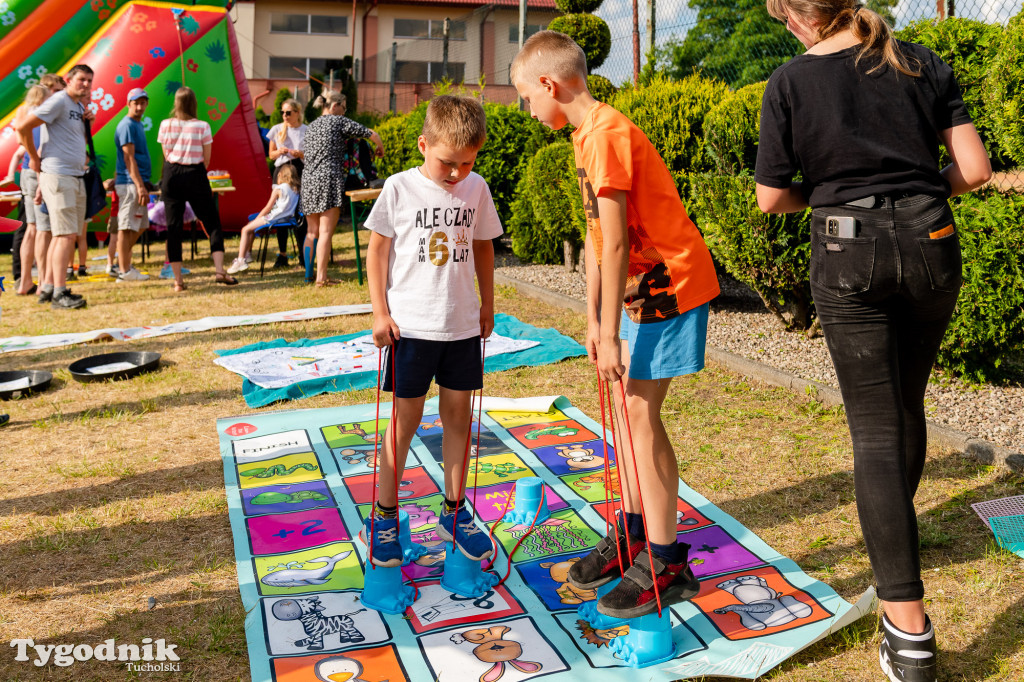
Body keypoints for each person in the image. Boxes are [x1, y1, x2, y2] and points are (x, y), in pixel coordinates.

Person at [753, 2, 992, 680]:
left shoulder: (790, 82)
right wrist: (916, 199)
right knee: (905, 403)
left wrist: (827, 198)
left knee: (875, 431)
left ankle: (907, 627)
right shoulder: (919, 59)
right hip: (932, 239)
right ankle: (899, 535)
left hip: (846, 248)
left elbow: (771, 198)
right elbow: (973, 170)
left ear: (798, 21)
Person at [512, 32, 721, 619]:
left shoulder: (605, 135)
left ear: (551, 86)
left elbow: (621, 241)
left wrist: (608, 334)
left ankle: (666, 563)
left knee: (638, 416)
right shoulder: (586, 134)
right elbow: (596, 238)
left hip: (670, 287)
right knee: (630, 418)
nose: (529, 110)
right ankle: (633, 535)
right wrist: (592, 322)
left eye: (528, 97)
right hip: (636, 294)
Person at [362, 95, 502, 568]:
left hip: (461, 326)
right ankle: (383, 513)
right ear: (424, 144)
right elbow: (377, 253)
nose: (457, 173)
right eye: (447, 162)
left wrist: (488, 304)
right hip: (411, 328)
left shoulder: (476, 189)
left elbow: (483, 248)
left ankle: (455, 511)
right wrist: (380, 312)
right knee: (405, 420)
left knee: (458, 420)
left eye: (467, 163)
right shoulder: (399, 189)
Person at [17, 64, 94, 310]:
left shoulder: (76, 106)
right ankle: (60, 294)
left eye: (90, 80)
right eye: (81, 79)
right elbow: (23, 127)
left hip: (71, 176)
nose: (86, 84)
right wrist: (34, 159)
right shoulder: (60, 100)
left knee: (61, 235)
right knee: (64, 236)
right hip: (59, 176)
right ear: (68, 80)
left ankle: (49, 286)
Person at [300, 90, 383, 287]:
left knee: (312, 232)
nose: (344, 113)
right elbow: (372, 133)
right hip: (329, 178)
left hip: (309, 179)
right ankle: (321, 278)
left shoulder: (310, 126)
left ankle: (307, 275)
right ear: (335, 106)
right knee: (326, 231)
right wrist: (379, 148)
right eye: (344, 108)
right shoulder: (338, 122)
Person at [157, 86, 235, 291]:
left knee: (173, 228)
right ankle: (219, 271)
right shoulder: (202, 126)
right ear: (194, 104)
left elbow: (166, 154)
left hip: (171, 174)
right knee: (212, 222)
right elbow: (206, 158)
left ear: (176, 104)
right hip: (195, 173)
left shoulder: (165, 124)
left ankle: (178, 282)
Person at [6, 85, 51, 295]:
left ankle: (25, 280)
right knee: (41, 229)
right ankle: (42, 281)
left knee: (31, 229)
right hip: (37, 172)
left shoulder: (24, 114)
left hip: (26, 172)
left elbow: (20, 145)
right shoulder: (39, 117)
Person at [227, 163, 300, 274]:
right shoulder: (296, 189)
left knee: (245, 229)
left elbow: (267, 208)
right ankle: (247, 255)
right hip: (287, 220)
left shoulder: (278, 189)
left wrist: (259, 218)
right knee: (250, 227)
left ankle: (241, 260)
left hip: (273, 218)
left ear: (280, 175)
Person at [113, 87, 153, 282]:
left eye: (142, 102)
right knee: (126, 227)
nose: (139, 106)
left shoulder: (137, 124)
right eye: (135, 103)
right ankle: (124, 271)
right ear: (128, 104)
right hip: (131, 184)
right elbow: (128, 159)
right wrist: (139, 186)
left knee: (141, 225)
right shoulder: (127, 125)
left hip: (135, 182)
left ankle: (124, 263)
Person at [266, 97, 306, 268]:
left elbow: (310, 155)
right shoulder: (277, 129)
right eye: (283, 112)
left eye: (288, 112)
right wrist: (279, 151)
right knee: (281, 211)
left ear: (297, 113)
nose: (284, 115)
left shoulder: (306, 130)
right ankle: (282, 255)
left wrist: (300, 154)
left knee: (300, 212)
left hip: (299, 170)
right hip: (282, 170)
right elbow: (271, 155)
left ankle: (304, 255)